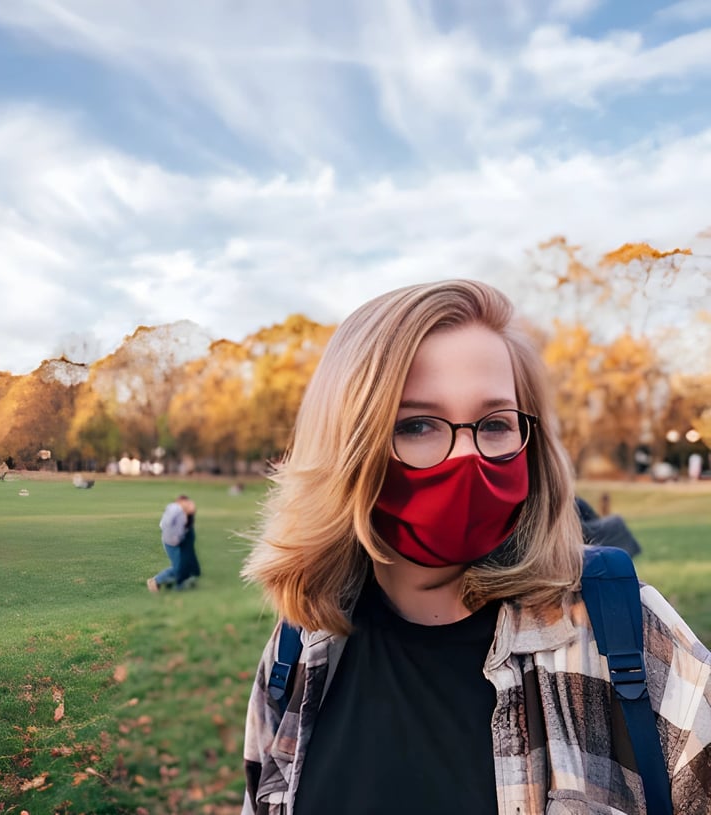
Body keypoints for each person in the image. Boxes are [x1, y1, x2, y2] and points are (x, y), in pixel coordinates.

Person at [240, 280, 711, 814]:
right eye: (416, 424)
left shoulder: (624, 634)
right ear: (346, 446)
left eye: (494, 424)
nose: (469, 456)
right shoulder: (297, 649)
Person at [147, 494, 199, 591]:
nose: (189, 505)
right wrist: (173, 537)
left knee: (185, 565)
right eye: (187, 502)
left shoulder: (184, 513)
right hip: (171, 543)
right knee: (178, 567)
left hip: (178, 541)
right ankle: (155, 581)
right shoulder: (175, 509)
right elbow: (164, 524)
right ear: (180, 502)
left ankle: (175, 583)